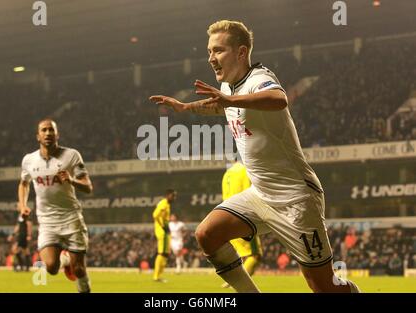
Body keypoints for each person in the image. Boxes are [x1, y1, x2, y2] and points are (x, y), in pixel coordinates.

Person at [150, 20, 360, 293]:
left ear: (241, 52)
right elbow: (219, 107)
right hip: (259, 195)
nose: (211, 58)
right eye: (209, 52)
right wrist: (185, 107)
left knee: (324, 288)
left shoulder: (259, 77)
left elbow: (278, 99)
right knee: (207, 234)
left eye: (218, 50)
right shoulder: (228, 88)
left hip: (295, 199)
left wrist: (230, 101)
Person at [18, 118, 93, 293]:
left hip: (71, 218)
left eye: (51, 130)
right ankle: (65, 259)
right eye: (44, 130)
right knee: (50, 267)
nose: (48, 133)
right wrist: (22, 205)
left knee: (79, 270)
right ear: (38, 136)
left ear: (57, 134)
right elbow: (23, 183)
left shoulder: (72, 155)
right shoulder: (29, 160)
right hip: (47, 221)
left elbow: (88, 187)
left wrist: (72, 180)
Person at [221, 161, 263, 288]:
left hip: (228, 215)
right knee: (255, 255)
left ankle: (232, 281)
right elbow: (248, 193)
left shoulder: (227, 174)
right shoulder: (244, 170)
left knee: (243, 256)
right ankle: (238, 284)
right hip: (243, 216)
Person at [152, 189, 177, 282]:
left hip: (165, 231)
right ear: (168, 195)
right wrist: (162, 226)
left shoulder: (166, 204)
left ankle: (159, 275)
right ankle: (156, 276)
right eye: (173, 195)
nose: (174, 198)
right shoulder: (163, 203)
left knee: (165, 254)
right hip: (162, 231)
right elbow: (155, 215)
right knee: (162, 253)